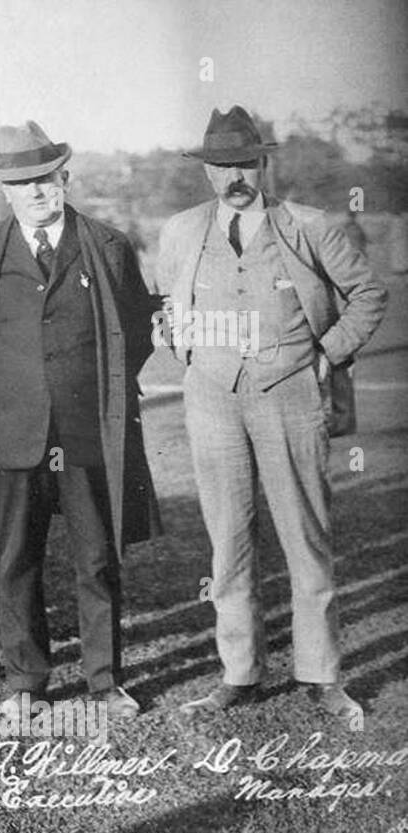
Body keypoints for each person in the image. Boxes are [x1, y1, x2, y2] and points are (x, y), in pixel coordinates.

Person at [156, 106, 387, 721]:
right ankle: (240, 672)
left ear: (263, 164)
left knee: (305, 538)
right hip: (212, 400)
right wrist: (190, 351)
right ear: (206, 170)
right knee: (227, 543)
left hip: (290, 393)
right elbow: (166, 301)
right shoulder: (181, 231)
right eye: (221, 165)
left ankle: (322, 674)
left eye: (244, 164)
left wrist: (327, 354)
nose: (233, 176)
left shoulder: (309, 226)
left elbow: (368, 293)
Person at [0, 122, 160, 724]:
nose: (38, 191)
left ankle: (105, 681)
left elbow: (135, 333)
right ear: (5, 191)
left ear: (64, 179)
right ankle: (27, 682)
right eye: (23, 183)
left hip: (87, 429)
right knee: (17, 559)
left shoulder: (109, 245)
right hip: (11, 432)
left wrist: (91, 392)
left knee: (97, 557)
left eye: (46, 178)